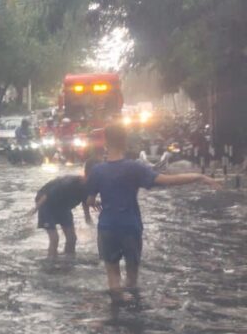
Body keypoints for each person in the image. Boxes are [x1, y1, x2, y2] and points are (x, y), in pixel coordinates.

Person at [85, 123, 220, 301]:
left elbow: (90, 201)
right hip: (130, 227)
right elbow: (168, 180)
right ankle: (132, 314)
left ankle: (116, 312)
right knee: (132, 280)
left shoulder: (97, 170)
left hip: (107, 227)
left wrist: (98, 202)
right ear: (125, 141)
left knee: (113, 278)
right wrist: (199, 176)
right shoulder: (134, 168)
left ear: (106, 142)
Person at [30, 158, 99, 257]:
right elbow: (48, 194)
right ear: (88, 174)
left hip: (63, 207)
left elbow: (85, 201)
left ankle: (68, 262)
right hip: (46, 204)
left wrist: (88, 217)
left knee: (72, 238)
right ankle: (51, 266)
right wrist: (36, 208)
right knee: (54, 239)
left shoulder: (89, 186)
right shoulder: (70, 182)